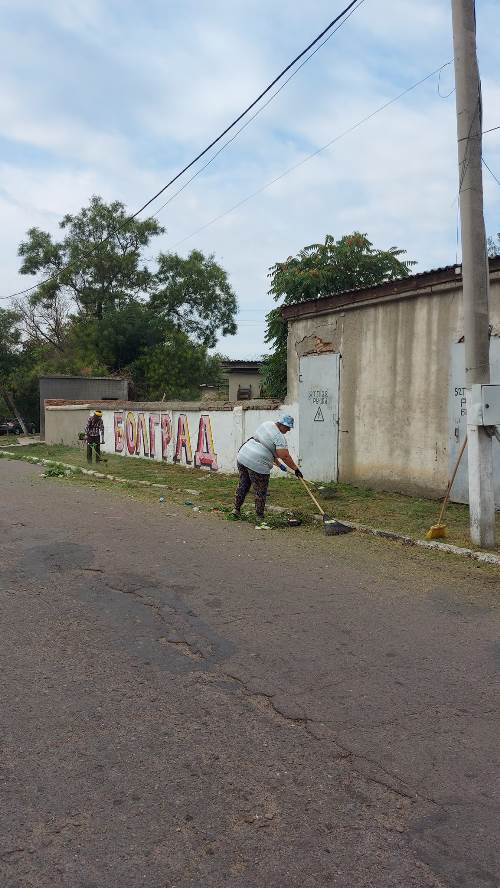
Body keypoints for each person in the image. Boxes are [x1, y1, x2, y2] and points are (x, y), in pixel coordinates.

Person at [233, 414, 302, 528]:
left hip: (243, 456)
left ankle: (236, 510)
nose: (289, 430)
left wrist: (279, 465)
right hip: (258, 463)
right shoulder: (279, 437)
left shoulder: (267, 424)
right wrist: (296, 469)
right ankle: (259, 517)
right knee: (260, 491)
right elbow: (284, 456)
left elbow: (265, 445)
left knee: (243, 485)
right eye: (288, 427)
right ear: (282, 425)